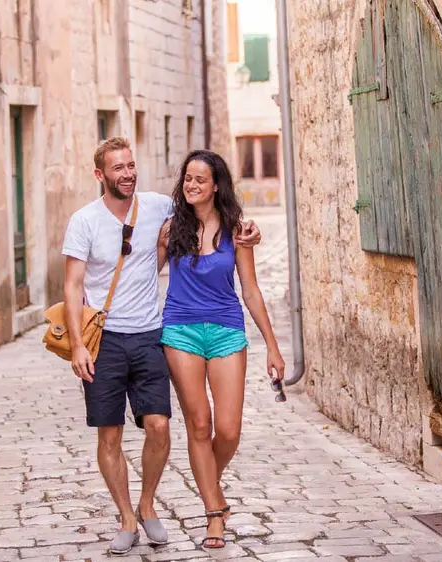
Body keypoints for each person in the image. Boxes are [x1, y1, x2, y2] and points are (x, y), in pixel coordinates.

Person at [61, 137, 262, 555]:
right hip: (104, 339)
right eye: (118, 168)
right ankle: (126, 518)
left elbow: (207, 208)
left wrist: (249, 228)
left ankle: (148, 503)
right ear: (100, 175)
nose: (127, 174)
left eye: (130, 165)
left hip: (150, 333)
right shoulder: (84, 221)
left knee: (159, 426)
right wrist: (78, 345)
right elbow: (72, 285)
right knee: (109, 434)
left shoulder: (158, 207)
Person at [156, 149, 285, 550]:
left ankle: (210, 482)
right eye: (187, 179)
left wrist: (273, 346)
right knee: (199, 424)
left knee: (228, 430)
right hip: (180, 331)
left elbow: (251, 290)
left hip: (227, 330)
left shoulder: (237, 231)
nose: (191, 185)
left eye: (200, 179)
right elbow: (142, 276)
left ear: (216, 186)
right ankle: (214, 513)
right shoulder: (170, 229)